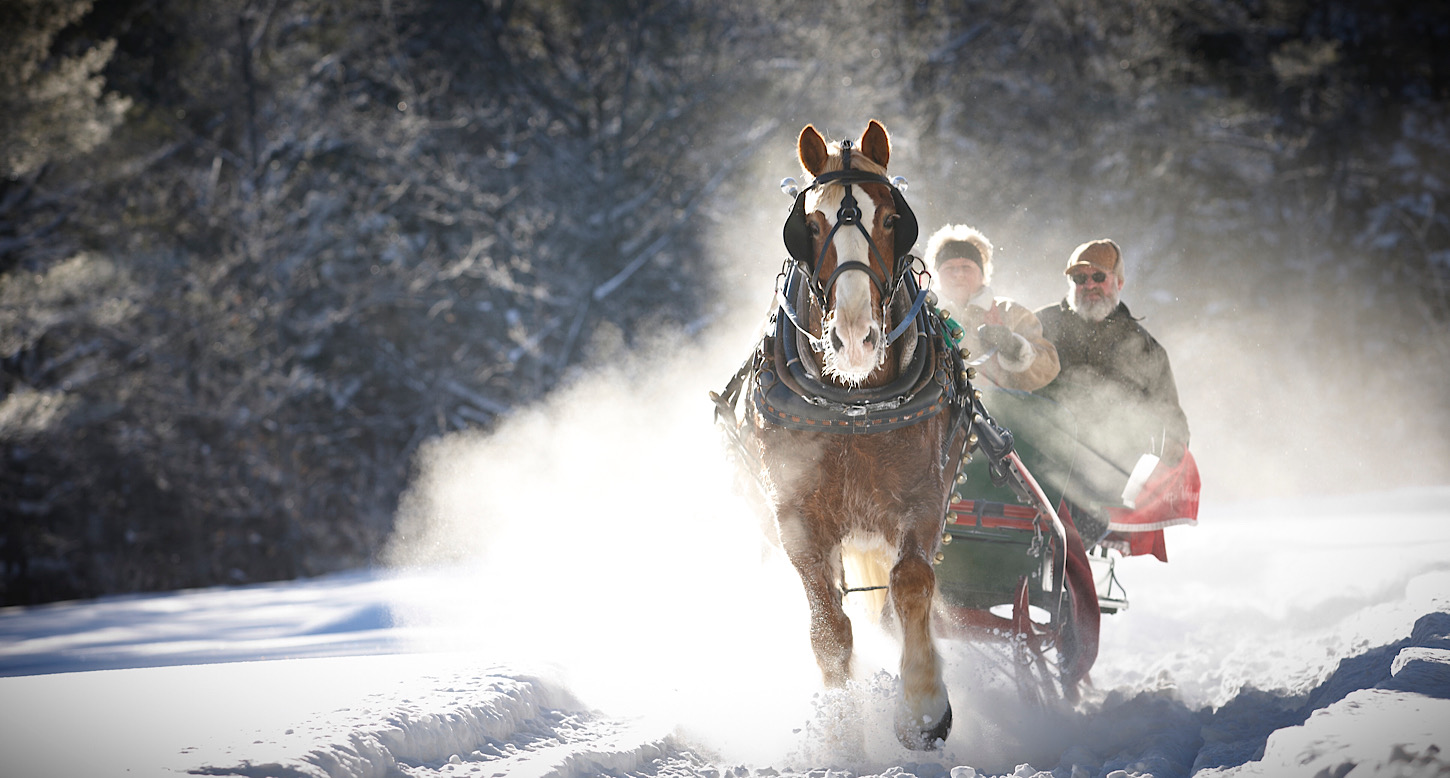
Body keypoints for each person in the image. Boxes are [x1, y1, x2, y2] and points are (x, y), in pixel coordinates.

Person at [1035, 238, 1196, 556]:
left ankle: (1064, 566)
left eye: (1099, 276)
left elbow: (1173, 421)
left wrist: (1172, 447)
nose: (1089, 285)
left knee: (1082, 519)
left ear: (1119, 281)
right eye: (1080, 278)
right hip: (1041, 456)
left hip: (1105, 473)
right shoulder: (1040, 326)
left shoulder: (1144, 347)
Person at [926, 225, 1059, 392]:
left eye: (966, 267)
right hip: (933, 401)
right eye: (949, 268)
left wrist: (1014, 347)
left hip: (1002, 404)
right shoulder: (923, 314)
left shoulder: (1010, 311)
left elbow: (1049, 366)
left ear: (982, 275)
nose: (958, 274)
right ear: (936, 275)